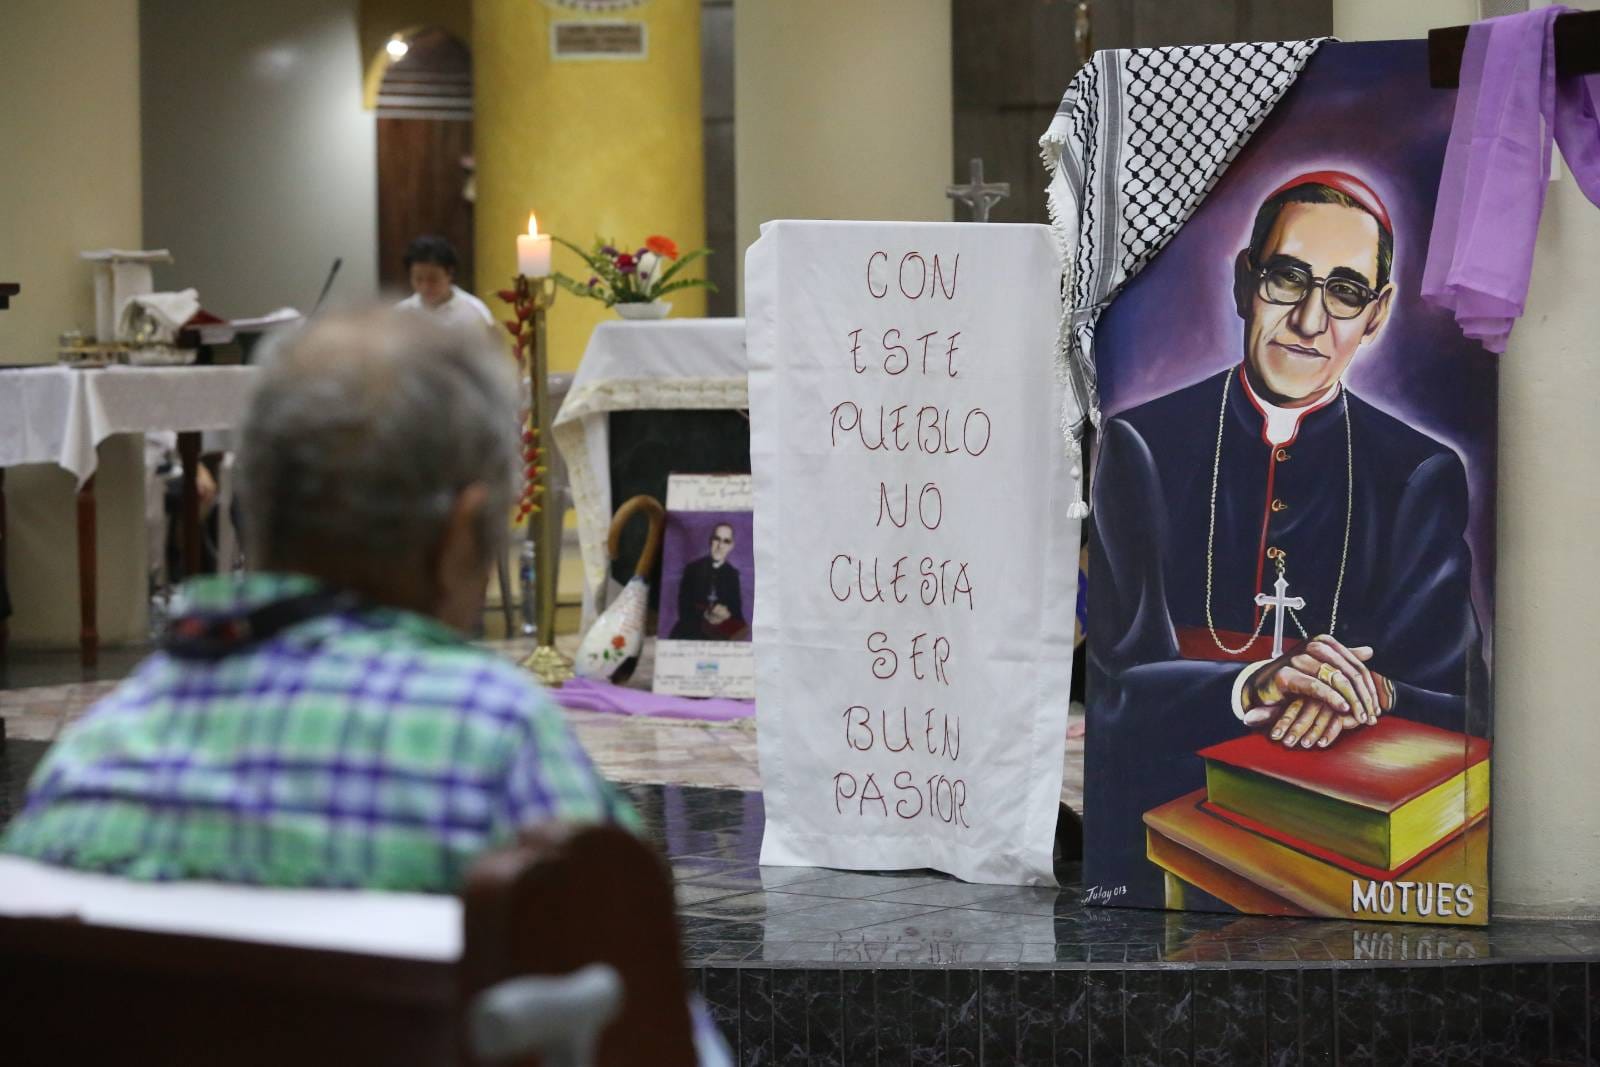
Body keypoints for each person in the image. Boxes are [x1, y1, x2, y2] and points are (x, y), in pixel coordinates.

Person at [3, 310, 633, 890]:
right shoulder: (502, 750)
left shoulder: (89, 766)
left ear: (258, 508)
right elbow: (643, 995)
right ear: (461, 536)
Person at [1087, 171, 1488, 896]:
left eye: (1344, 292)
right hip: (1162, 838)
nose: (1309, 319)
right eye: (1287, 277)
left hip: (1350, 855)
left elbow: (1463, 706)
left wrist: (1363, 688)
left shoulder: (1418, 471)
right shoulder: (1141, 445)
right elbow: (1114, 693)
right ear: (1246, 283)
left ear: (1377, 314)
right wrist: (1255, 682)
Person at [395, 234, 496, 337]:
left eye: (433, 279)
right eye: (418, 279)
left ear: (450, 273)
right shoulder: (401, 313)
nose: (425, 286)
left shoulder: (474, 312)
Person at [668, 522, 747, 641]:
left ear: (731, 546)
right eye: (717, 539)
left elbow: (737, 613)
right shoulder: (692, 569)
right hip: (690, 632)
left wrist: (727, 615)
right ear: (710, 541)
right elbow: (683, 608)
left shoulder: (732, 574)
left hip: (718, 634)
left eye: (726, 541)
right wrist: (705, 614)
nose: (720, 546)